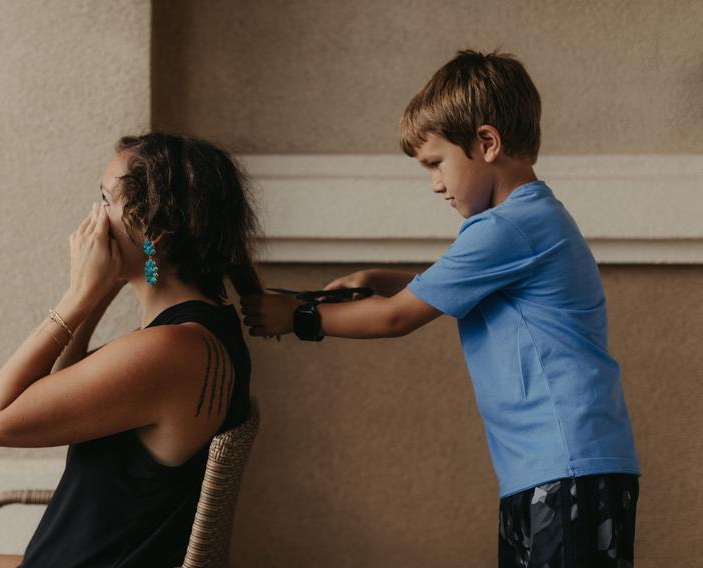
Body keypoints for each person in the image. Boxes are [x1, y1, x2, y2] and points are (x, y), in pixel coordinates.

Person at [241, 50, 640, 567]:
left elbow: (397, 316)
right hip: (550, 465)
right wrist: (375, 279)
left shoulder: (507, 228)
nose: (434, 183)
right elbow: (444, 287)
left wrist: (299, 318)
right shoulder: (524, 223)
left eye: (436, 163)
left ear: (487, 143)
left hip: (565, 465)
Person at [0, 133, 261, 568]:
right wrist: (103, 286)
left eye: (105, 200)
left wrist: (76, 298)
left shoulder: (170, 350)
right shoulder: (201, 327)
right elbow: (61, 387)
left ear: (154, 233)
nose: (94, 216)